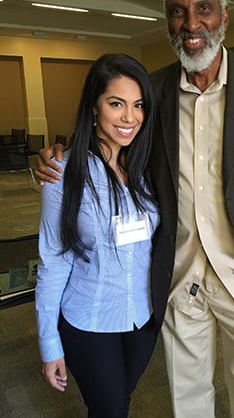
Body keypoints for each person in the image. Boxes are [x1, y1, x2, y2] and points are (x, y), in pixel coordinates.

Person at [35, 0, 234, 418]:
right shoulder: (153, 92)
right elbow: (109, 135)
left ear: (225, 16)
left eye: (203, 9)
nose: (191, 23)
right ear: (168, 23)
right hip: (180, 285)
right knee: (189, 406)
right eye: (178, 13)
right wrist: (55, 156)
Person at [35, 53, 174, 418]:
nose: (130, 118)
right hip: (90, 321)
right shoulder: (62, 172)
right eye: (116, 104)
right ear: (94, 107)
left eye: (138, 105)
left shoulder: (146, 166)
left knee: (113, 404)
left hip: (141, 319)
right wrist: (50, 344)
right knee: (112, 409)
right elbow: (52, 260)